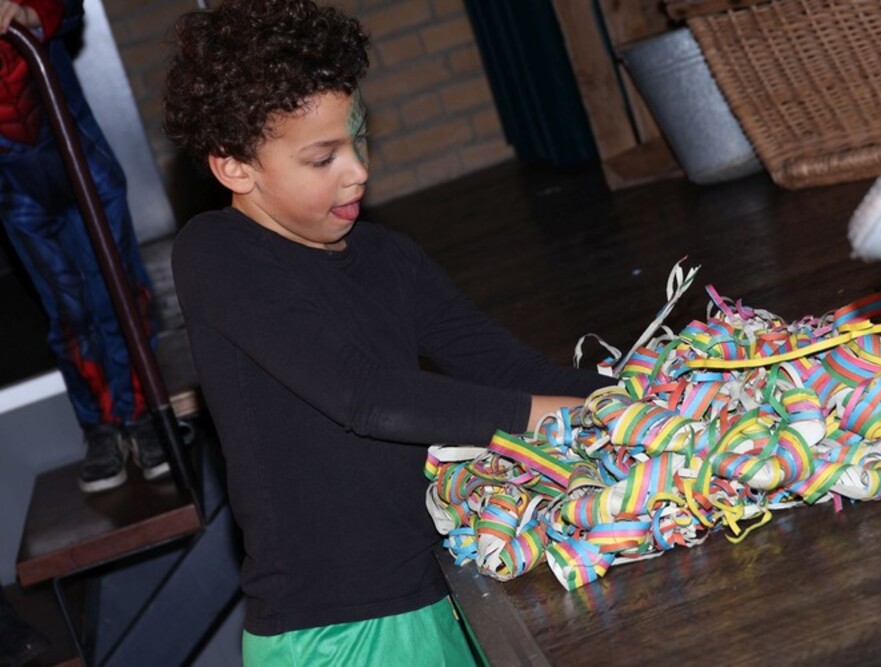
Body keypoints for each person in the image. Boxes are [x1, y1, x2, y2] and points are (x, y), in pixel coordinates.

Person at [163, 0, 615, 663]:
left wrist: (635, 396)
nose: (359, 171)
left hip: (445, 589)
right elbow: (368, 397)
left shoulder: (388, 255)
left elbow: (507, 366)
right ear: (235, 167)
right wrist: (571, 417)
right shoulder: (217, 254)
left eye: (359, 140)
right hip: (334, 632)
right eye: (323, 158)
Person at [0, 0, 169, 493]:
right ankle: (100, 426)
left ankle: (146, 413)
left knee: (117, 285)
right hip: (16, 188)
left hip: (78, 157)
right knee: (67, 307)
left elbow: (71, 9)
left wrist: (29, 14)